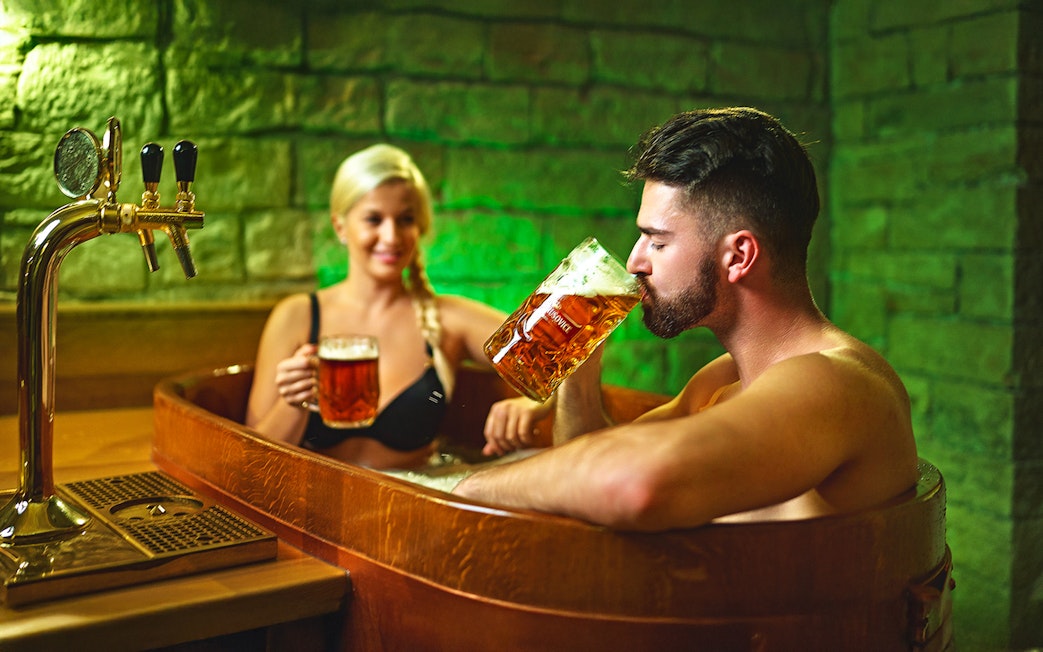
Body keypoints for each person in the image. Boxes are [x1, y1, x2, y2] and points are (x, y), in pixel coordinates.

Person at [453, 107, 919, 530]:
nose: (635, 262)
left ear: (739, 256)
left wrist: (462, 491)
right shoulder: (725, 380)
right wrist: (579, 360)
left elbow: (634, 484)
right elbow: (591, 467)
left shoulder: (834, 383)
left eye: (657, 242)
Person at [245, 144, 547, 469]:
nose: (391, 236)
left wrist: (534, 407)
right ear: (340, 226)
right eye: (373, 219)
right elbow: (253, 458)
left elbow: (560, 359)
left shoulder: (448, 319)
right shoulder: (297, 316)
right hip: (313, 500)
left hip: (410, 501)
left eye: (405, 219)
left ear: (420, 228)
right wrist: (295, 402)